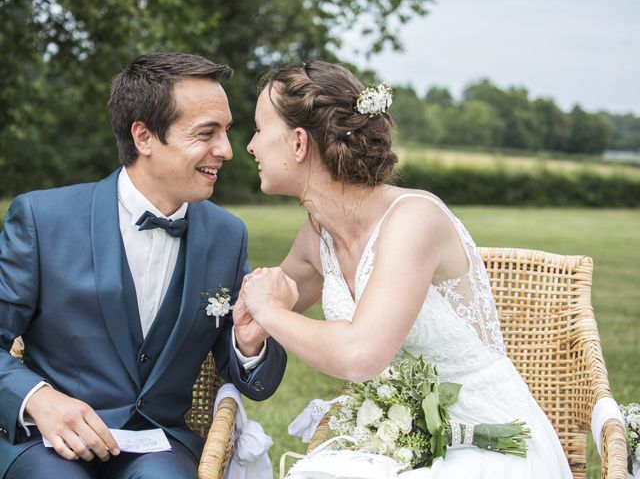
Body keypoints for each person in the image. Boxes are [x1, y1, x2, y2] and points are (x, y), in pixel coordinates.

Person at [240, 61, 572, 477]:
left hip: (488, 439)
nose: (250, 145)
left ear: (298, 143)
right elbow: (255, 309)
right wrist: (251, 325)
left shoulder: (414, 219)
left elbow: (360, 355)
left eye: (258, 128)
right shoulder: (316, 237)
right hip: (398, 439)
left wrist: (272, 312)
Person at [0, 52, 287, 479]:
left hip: (161, 447)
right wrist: (39, 400)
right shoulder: (44, 220)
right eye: (207, 133)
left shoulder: (228, 236)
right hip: (50, 444)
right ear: (144, 136)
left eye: (226, 131)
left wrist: (248, 345)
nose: (226, 150)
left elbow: (247, 377)